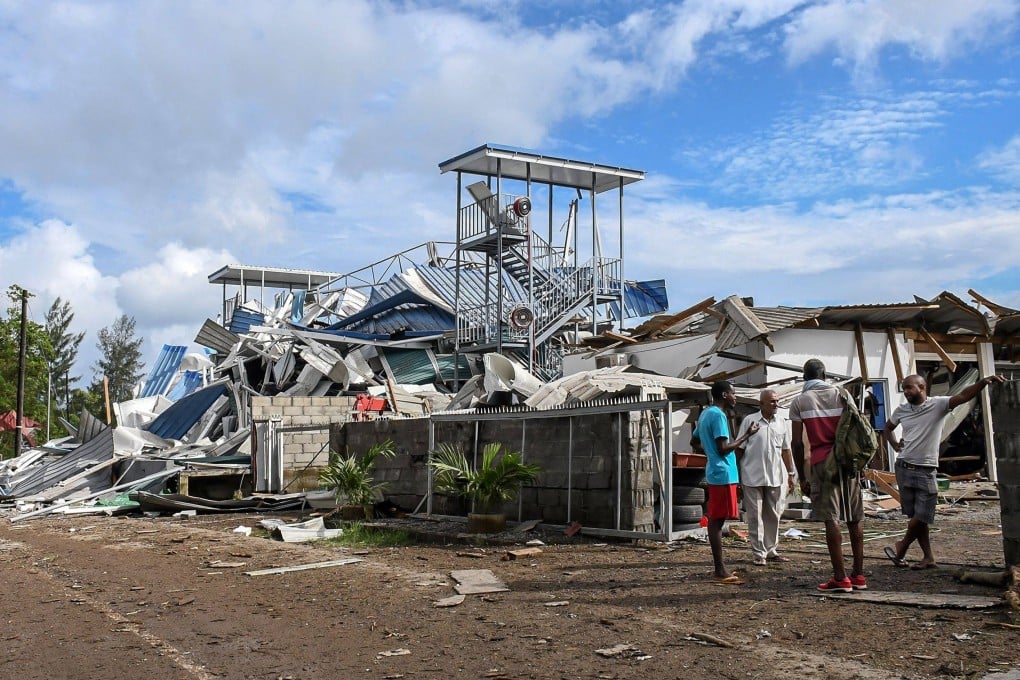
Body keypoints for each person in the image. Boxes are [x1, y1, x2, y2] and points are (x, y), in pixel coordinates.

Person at [882, 373, 1005, 569]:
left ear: (922, 388)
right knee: (915, 515)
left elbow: (963, 396)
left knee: (923, 514)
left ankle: (902, 546)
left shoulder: (938, 405)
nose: (906, 392)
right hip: (904, 466)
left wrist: (982, 382)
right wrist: (895, 444)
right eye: (904, 388)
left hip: (926, 469)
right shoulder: (901, 410)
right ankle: (928, 557)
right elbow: (887, 428)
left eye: (909, 388)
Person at [789, 359, 867, 593]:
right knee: (855, 517)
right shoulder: (843, 395)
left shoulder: (800, 402)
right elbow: (857, 427)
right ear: (824, 375)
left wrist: (802, 475)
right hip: (848, 460)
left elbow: (796, 443)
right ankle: (859, 575)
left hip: (823, 463)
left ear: (805, 376)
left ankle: (840, 578)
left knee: (831, 518)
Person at [693, 380, 759, 584]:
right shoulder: (718, 415)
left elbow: (694, 441)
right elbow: (723, 448)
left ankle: (720, 568)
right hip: (722, 473)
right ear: (724, 395)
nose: (735, 396)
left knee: (718, 519)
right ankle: (719, 569)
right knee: (716, 520)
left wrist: (709, 453)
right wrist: (746, 435)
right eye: (733, 393)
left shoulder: (705, 414)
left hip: (718, 471)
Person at [736, 389, 796, 566]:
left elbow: (786, 450)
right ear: (761, 404)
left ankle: (771, 550)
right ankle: (758, 553)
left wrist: (791, 474)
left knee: (774, 514)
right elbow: (740, 449)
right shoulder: (750, 421)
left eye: (777, 401)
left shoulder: (781, 423)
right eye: (772, 401)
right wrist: (737, 476)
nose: (776, 404)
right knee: (754, 516)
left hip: (775, 476)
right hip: (751, 476)